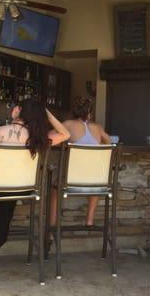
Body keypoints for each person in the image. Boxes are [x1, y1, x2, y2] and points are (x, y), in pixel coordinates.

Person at [0, 99, 69, 250]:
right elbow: (65, 133)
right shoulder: (39, 139)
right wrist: (46, 113)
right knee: (8, 194)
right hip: (24, 189)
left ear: (18, 110)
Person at [49, 97, 111, 229]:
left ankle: (51, 228)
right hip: (96, 181)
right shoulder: (97, 127)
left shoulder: (67, 125)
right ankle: (89, 220)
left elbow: (48, 137)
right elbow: (109, 142)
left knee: (55, 190)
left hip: (72, 180)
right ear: (89, 113)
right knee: (95, 180)